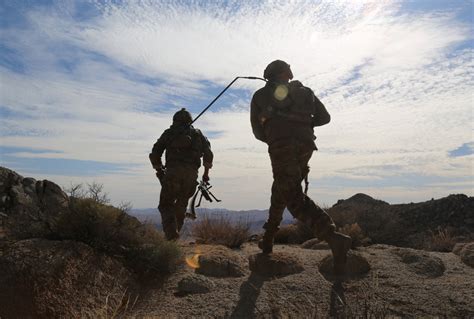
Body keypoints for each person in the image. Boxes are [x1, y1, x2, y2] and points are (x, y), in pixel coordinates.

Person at [250, 60, 351, 274]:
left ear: (268, 75)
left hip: (281, 146)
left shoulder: (260, 96)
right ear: (288, 73)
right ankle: (267, 241)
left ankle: (333, 237)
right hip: (305, 146)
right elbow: (325, 118)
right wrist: (303, 125)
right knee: (281, 188)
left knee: (291, 194)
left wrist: (276, 137)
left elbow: (258, 132)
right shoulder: (305, 92)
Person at [149, 108, 213, 240]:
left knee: (165, 205)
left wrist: (159, 169)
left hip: (172, 173)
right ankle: (173, 238)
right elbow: (208, 155)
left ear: (174, 120)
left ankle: (171, 234)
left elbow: (155, 153)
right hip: (191, 175)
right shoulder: (198, 134)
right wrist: (206, 174)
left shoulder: (169, 133)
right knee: (181, 205)